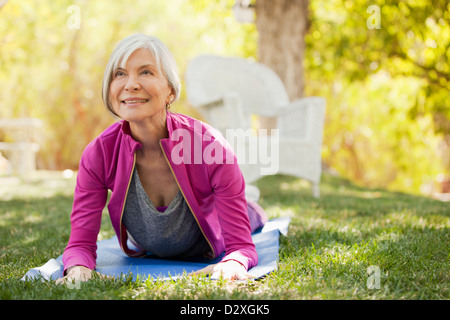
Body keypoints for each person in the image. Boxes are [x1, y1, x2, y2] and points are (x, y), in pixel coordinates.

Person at [56, 33, 268, 285]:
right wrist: (78, 268)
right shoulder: (99, 153)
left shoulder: (209, 146)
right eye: (120, 74)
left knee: (249, 210)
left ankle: (250, 201)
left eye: (146, 72)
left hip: (210, 236)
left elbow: (241, 247)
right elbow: (80, 244)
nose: (131, 84)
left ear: (170, 89)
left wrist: (234, 262)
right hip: (153, 245)